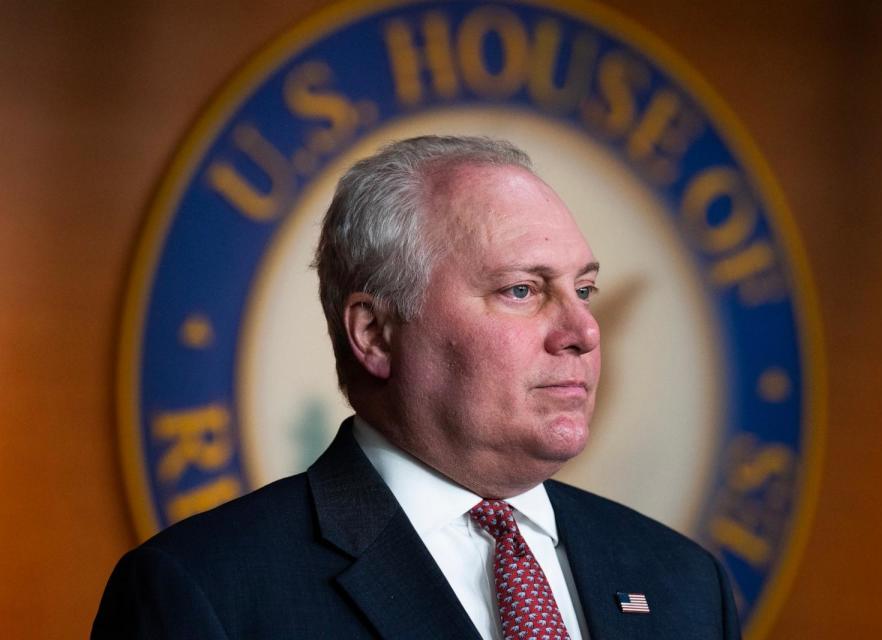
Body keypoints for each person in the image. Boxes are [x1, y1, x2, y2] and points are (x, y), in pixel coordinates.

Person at [93, 136, 741, 639]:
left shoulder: (685, 583)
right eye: (522, 289)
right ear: (374, 333)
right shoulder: (206, 594)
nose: (583, 331)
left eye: (585, 290)